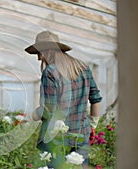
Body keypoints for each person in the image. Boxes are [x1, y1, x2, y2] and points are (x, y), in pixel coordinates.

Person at [24, 31, 102, 168]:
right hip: (81, 135)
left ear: (46, 50)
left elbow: (48, 110)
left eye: (39, 53)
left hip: (58, 139)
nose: (38, 58)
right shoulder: (82, 67)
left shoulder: (50, 72)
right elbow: (95, 98)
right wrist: (93, 125)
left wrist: (31, 116)